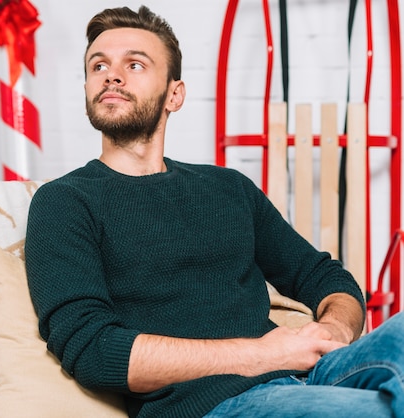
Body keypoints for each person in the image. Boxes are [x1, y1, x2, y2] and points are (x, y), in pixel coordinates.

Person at [24, 5, 404, 418]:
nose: (111, 75)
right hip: (216, 404)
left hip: (309, 372)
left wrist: (334, 329)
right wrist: (262, 354)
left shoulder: (227, 187)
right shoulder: (64, 201)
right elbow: (93, 350)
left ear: (175, 94)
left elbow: (323, 276)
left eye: (134, 64)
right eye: (98, 65)